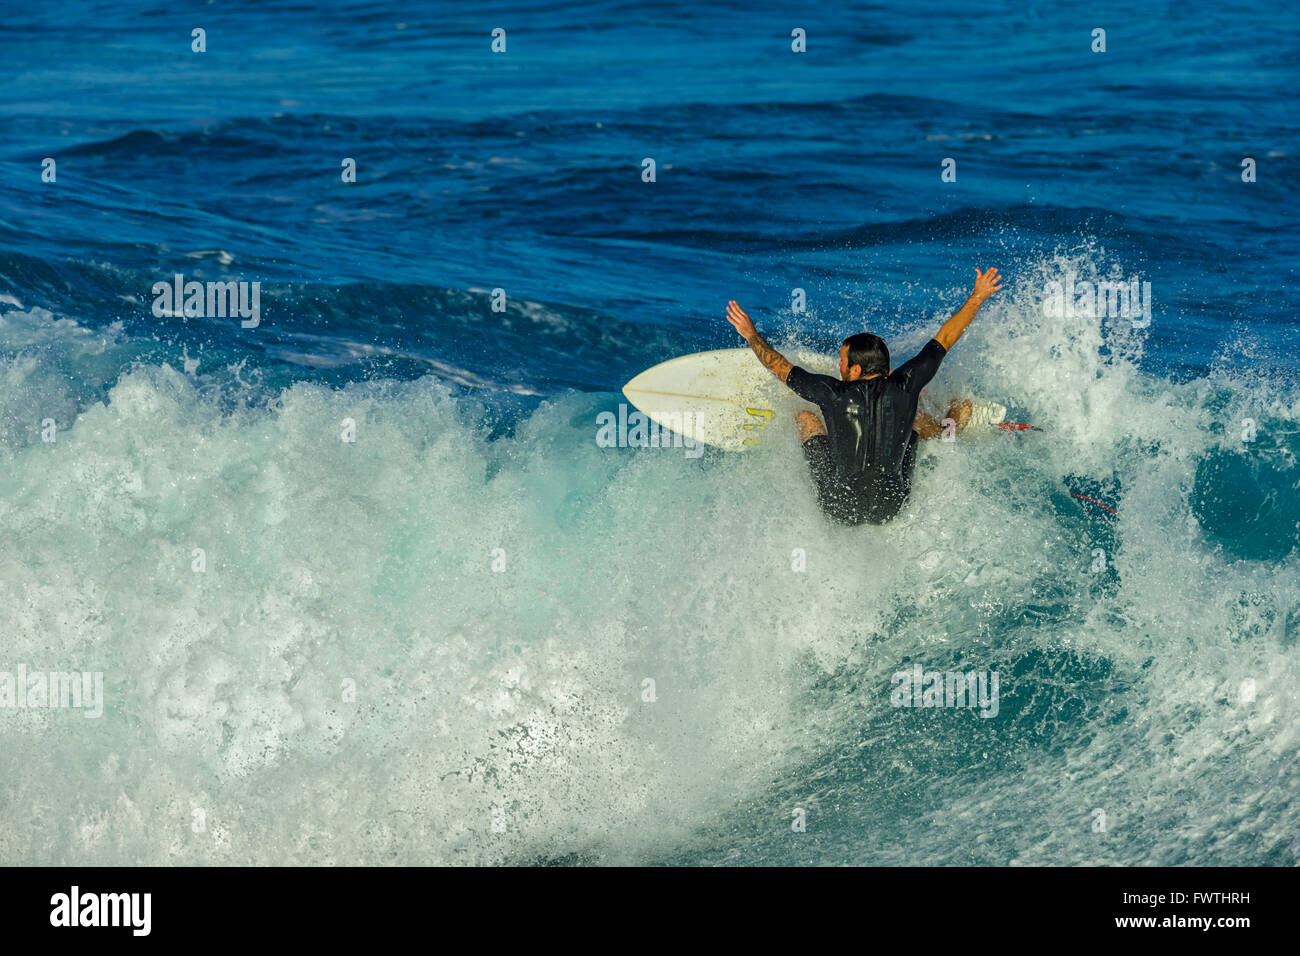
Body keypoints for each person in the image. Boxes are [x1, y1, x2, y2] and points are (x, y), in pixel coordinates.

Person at [724, 267, 1004, 524]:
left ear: (856, 369)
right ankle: (950, 428)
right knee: (914, 417)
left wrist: (750, 334)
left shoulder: (832, 393)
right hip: (892, 506)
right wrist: (978, 296)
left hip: (839, 507)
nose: (839, 366)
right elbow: (944, 339)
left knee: (806, 418)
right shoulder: (906, 384)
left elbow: (779, 367)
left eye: (843, 362)